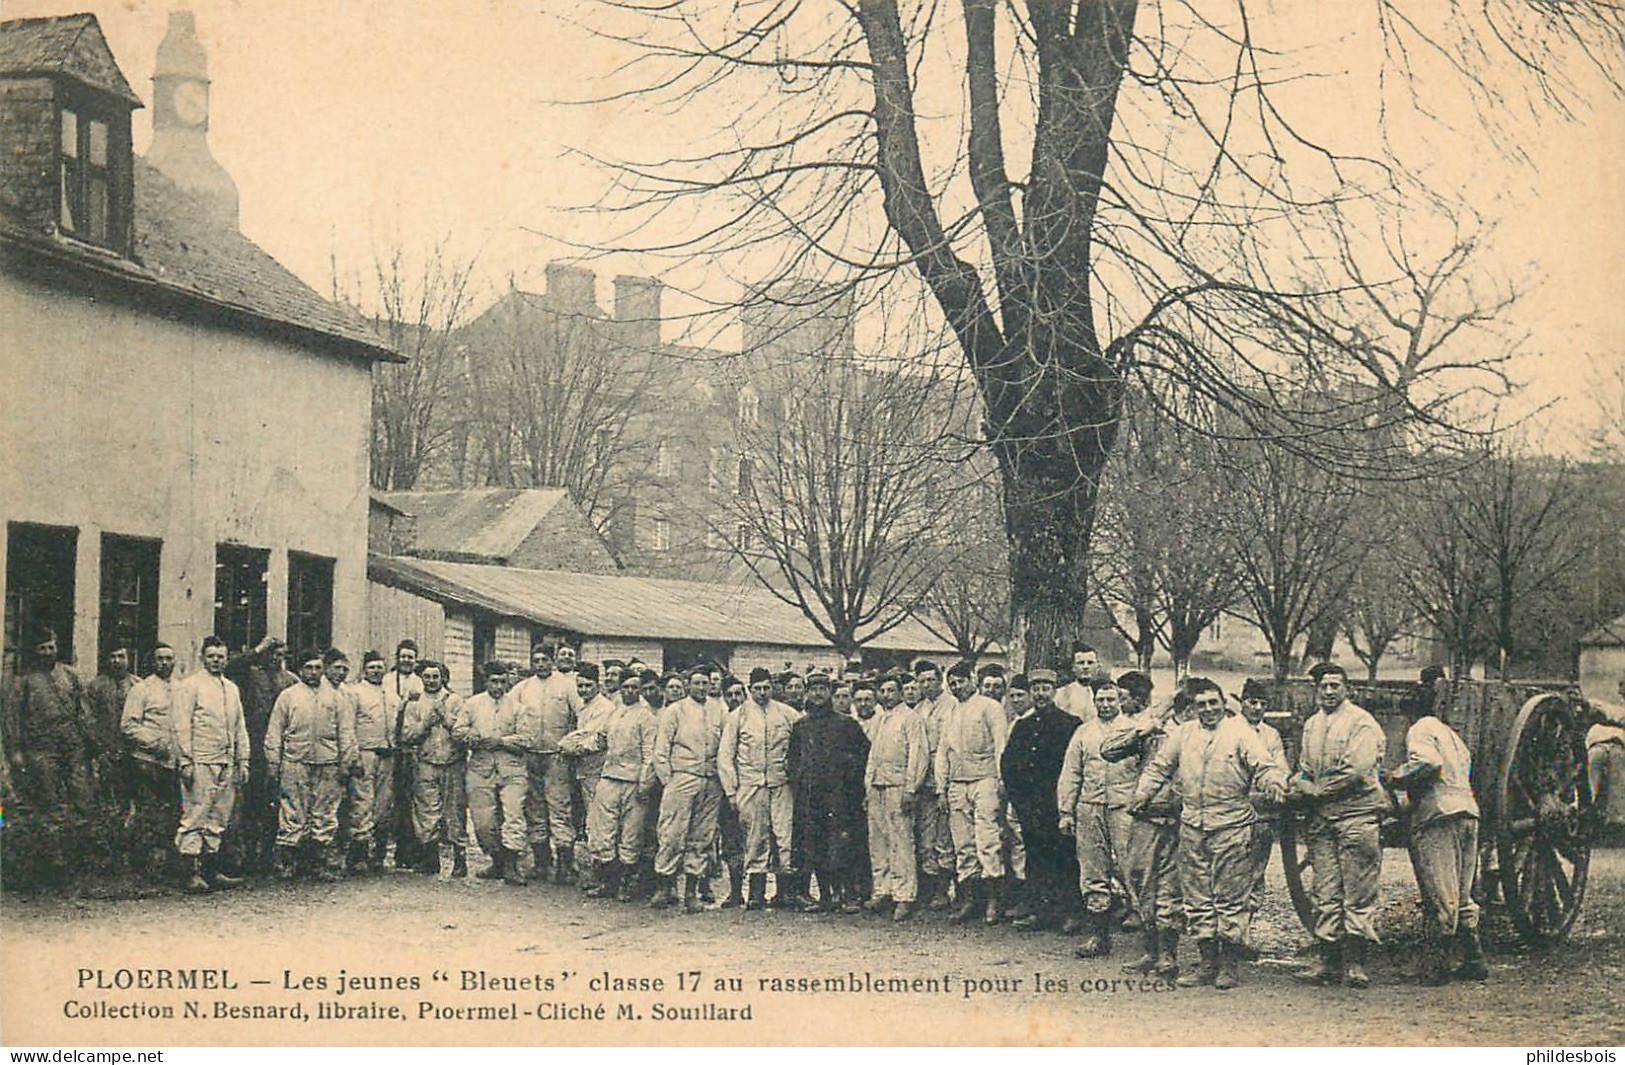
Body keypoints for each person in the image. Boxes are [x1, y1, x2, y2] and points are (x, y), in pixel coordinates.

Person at [1133, 678, 1287, 990]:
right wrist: (1142, 794)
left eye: (1213, 703)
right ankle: (1207, 963)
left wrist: (1275, 784)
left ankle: (1228, 966)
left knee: (1229, 899)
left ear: (1223, 704)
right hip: (1192, 826)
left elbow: (1264, 765)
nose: (1208, 710)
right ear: (1193, 707)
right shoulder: (1183, 733)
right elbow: (1159, 767)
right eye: (1201, 705)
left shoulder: (1239, 732)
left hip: (1232, 825)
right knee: (1198, 899)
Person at [1287, 662, 1387, 989]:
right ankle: (1328, 962)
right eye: (1324, 687)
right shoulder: (1312, 725)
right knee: (1325, 889)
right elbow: (1304, 768)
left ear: (1347, 689)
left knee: (1358, 890)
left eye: (1335, 686)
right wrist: (1300, 784)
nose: (1329, 692)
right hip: (1321, 821)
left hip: (1355, 815)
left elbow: (1356, 771)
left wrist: (1317, 790)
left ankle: (1356, 963)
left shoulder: (1361, 723)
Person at [1387, 690, 1488, 984]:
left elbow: (1428, 764)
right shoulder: (1453, 737)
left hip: (1439, 816)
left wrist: (1395, 777)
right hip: (1467, 812)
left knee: (1440, 892)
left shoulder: (1420, 730)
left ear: (1409, 713)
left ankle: (1436, 966)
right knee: (1462, 889)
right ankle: (1474, 958)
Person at [1103, 672, 1183, 977]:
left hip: (1175, 815)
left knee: (1170, 887)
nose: (1121, 703)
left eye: (1124, 697)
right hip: (1144, 815)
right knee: (1140, 880)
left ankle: (1168, 955)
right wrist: (1141, 733)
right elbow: (1108, 751)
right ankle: (1149, 951)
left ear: (1140, 697)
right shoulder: (1138, 727)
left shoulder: (1182, 728)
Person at [265, 648, 358, 881]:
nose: (314, 672)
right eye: (309, 667)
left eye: (318, 667)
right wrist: (273, 762)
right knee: (293, 810)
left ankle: (322, 863)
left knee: (325, 813)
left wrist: (346, 761)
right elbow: (275, 732)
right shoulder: (288, 696)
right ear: (300, 669)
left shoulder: (336, 698)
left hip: (328, 762)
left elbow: (346, 732)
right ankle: (288, 863)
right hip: (295, 761)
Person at [1057, 680, 1136, 955]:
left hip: (1124, 807)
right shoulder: (1083, 732)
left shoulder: (1134, 731)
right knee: (1093, 870)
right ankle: (1099, 937)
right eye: (1100, 700)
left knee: (1132, 866)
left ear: (1120, 701)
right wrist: (1066, 812)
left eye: (1110, 700)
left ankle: (1149, 934)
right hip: (1090, 807)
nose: (1105, 705)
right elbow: (1071, 774)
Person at [1002, 670, 1080, 934]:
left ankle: (1070, 912)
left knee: (1064, 857)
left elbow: (1075, 768)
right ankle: (1040, 911)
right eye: (1036, 689)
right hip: (1031, 806)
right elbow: (1008, 765)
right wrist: (1019, 800)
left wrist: (1068, 804)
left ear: (1055, 691)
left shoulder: (1070, 724)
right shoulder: (1023, 726)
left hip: (1058, 805)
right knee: (1036, 857)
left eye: (1046, 688)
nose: (1040, 694)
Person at [171, 635, 251, 893]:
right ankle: (190, 873)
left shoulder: (231, 688)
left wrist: (243, 759)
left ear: (226, 659)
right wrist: (186, 761)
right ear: (202, 657)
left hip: (225, 760)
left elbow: (239, 726)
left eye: (221, 657)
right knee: (196, 812)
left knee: (219, 815)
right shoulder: (190, 685)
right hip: (201, 759)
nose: (216, 661)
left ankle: (210, 869)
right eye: (211, 656)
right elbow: (181, 726)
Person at [719, 667, 802, 910]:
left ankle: (784, 892)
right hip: (751, 785)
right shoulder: (739, 716)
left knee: (783, 835)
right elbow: (726, 755)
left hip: (781, 784)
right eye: (757, 689)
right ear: (750, 689)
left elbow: (798, 749)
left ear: (772, 688)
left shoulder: (787, 714)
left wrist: (792, 774)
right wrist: (731, 791)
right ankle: (757, 893)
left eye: (766, 688)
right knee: (755, 837)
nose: (762, 693)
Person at [787, 671, 870, 914]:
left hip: (840, 797)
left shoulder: (847, 724)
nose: (818, 694)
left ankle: (847, 894)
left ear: (830, 693)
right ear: (807, 693)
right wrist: (800, 777)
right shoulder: (801, 726)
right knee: (815, 845)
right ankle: (824, 895)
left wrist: (850, 782)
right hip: (811, 797)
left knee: (842, 844)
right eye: (814, 689)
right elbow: (792, 759)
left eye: (823, 689)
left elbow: (864, 755)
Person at [3, 629, 96, 844]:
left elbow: (84, 711)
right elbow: (12, 718)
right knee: (49, 795)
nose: (47, 652)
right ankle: (54, 849)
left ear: (57, 648)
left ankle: (84, 845)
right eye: (42, 648)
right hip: (41, 746)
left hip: (72, 744)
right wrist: (16, 751)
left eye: (51, 647)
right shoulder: (23, 681)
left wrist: (90, 741)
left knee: (81, 792)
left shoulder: (71, 676)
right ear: (35, 651)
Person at [651, 666, 727, 912]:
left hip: (711, 780)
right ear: (688, 685)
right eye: (696, 683)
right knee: (672, 833)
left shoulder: (719, 710)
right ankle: (665, 886)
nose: (701, 688)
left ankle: (691, 892)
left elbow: (725, 746)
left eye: (706, 683)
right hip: (682, 778)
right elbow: (660, 751)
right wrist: (668, 781)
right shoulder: (675, 710)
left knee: (702, 837)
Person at [937, 660, 1008, 924]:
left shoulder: (991, 708)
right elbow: (944, 752)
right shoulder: (951, 711)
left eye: (961, 681)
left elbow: (1001, 745)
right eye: (952, 683)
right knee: (963, 844)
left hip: (985, 780)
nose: (957, 687)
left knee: (987, 840)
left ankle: (993, 901)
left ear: (972, 681)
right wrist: (942, 788)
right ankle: (970, 899)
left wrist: (1001, 780)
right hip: (958, 783)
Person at [584, 664, 657, 902]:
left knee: (631, 833)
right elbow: (601, 740)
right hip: (609, 777)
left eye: (634, 687)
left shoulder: (646, 717)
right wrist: (578, 746)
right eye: (625, 687)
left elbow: (649, 754)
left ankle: (627, 883)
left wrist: (645, 784)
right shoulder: (614, 712)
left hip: (633, 781)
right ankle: (608, 882)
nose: (629, 692)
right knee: (603, 830)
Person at [511, 643, 582, 884]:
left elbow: (581, 716)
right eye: (536, 660)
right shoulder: (523, 688)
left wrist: (569, 745)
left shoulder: (566, 687)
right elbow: (510, 714)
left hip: (556, 755)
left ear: (552, 661)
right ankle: (542, 862)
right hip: (531, 755)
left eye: (544, 660)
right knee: (534, 808)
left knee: (559, 807)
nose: (540, 665)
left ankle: (565, 864)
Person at [455, 661, 530, 886]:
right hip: (480, 768)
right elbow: (458, 730)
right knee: (483, 820)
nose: (498, 686)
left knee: (513, 815)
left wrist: (501, 741)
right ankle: (496, 860)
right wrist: (473, 737)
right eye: (493, 681)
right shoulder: (472, 704)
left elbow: (527, 738)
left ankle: (511, 864)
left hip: (511, 769)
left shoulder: (518, 708)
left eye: (502, 682)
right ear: (486, 681)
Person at [864, 672, 929, 921]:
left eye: (892, 690)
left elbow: (918, 755)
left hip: (898, 787)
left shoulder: (911, 719)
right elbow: (873, 756)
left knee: (901, 842)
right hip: (877, 787)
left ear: (901, 692)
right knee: (878, 842)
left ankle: (904, 896)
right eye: (884, 691)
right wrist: (867, 786)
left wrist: (911, 788)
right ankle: (883, 891)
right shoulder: (881, 719)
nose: (887, 695)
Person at [402, 660, 467, 877]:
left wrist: (446, 718)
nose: (431, 681)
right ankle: (431, 859)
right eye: (427, 677)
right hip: (426, 763)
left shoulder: (456, 701)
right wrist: (425, 724)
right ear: (421, 678)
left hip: (453, 762)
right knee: (427, 812)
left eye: (435, 677)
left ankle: (460, 860)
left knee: (455, 812)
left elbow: (464, 732)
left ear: (443, 678)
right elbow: (407, 735)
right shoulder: (414, 703)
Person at [119, 643, 180, 877]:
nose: (164, 663)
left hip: (172, 762)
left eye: (168, 659)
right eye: (160, 659)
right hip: (146, 761)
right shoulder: (142, 689)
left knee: (172, 811)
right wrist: (155, 743)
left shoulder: (181, 688)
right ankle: (139, 863)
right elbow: (128, 725)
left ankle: (165, 864)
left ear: (175, 662)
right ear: (152, 663)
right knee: (148, 811)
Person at [1239, 678, 1289, 953]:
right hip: (1231, 811)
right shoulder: (1229, 729)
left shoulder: (1270, 736)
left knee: (1255, 872)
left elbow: (1280, 767)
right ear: (1241, 702)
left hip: (1260, 812)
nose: (1256, 708)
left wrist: (1278, 784)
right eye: (1251, 702)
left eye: (1262, 704)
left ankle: (1243, 933)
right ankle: (1225, 934)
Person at [346, 650, 402, 873]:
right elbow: (348, 726)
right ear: (364, 670)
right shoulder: (355, 693)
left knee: (382, 804)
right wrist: (354, 756)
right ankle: (357, 854)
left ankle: (377, 854)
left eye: (380, 667)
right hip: (365, 753)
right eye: (372, 667)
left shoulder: (391, 695)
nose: (376, 671)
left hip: (387, 754)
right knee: (361, 802)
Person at [560, 662, 615, 892]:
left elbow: (595, 739)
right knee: (588, 821)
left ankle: (603, 876)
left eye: (587, 686)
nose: (583, 690)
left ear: (597, 685)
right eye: (580, 686)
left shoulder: (604, 708)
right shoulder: (584, 707)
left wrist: (570, 746)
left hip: (598, 771)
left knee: (599, 822)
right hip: (583, 771)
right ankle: (597, 871)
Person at [909, 662, 955, 911]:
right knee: (926, 838)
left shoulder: (952, 705)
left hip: (944, 779)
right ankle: (927, 888)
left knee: (944, 837)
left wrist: (944, 785)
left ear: (940, 680)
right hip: (923, 781)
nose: (927, 685)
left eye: (931, 680)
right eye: (922, 681)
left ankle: (943, 890)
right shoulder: (918, 709)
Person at [386, 639, 426, 871]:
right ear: (397, 658)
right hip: (392, 747)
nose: (407, 661)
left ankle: (409, 850)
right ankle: (382, 849)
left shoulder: (420, 682)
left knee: (412, 799)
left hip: (413, 748)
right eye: (403, 657)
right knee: (393, 799)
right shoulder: (387, 681)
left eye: (411, 657)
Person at [85, 644, 135, 802]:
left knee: (130, 788)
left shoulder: (138, 685)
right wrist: (99, 746)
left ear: (128, 659)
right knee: (105, 789)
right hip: (104, 748)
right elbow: (88, 717)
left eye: (121, 657)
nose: (116, 661)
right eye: (113, 657)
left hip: (132, 748)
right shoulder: (96, 686)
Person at [1054, 642, 1100, 722]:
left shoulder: (1104, 692)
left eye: (1090, 663)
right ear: (1073, 667)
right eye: (1081, 663)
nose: (1086, 667)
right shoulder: (1061, 694)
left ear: (1097, 666)